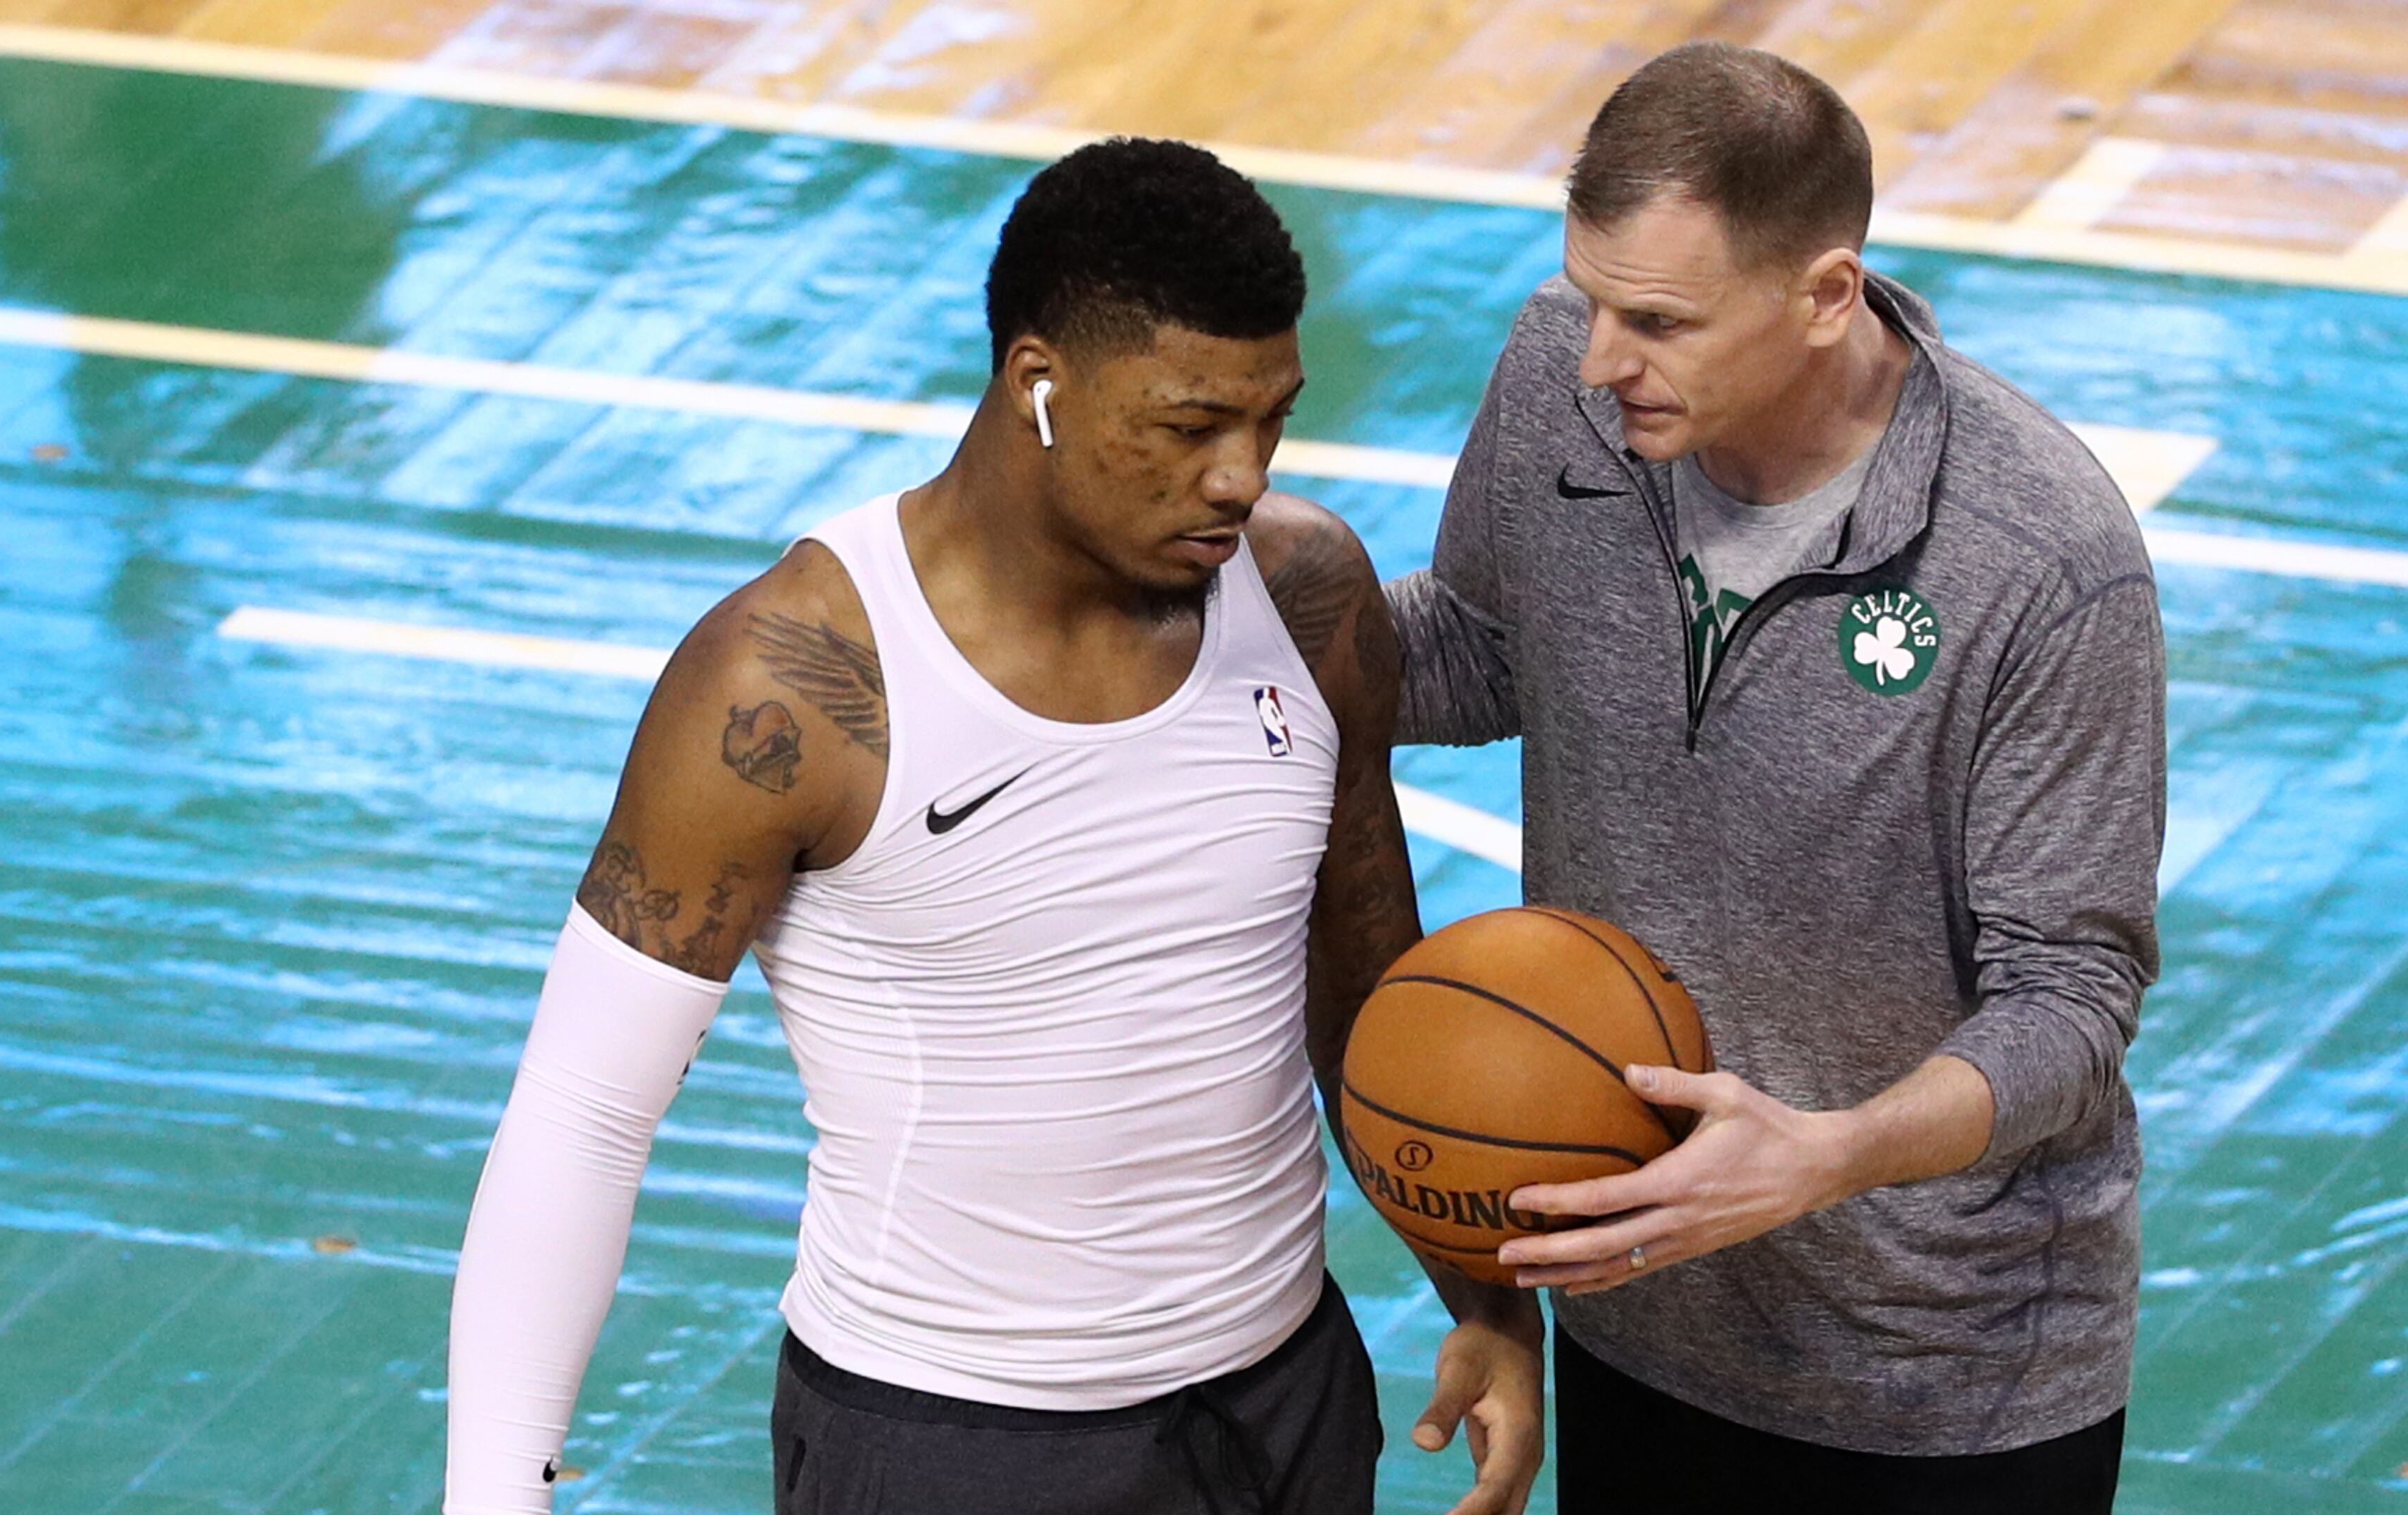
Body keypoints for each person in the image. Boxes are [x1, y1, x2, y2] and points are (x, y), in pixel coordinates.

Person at [443, 137, 1540, 1515]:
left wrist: (1490, 1307)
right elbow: (585, 1113)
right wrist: (494, 1490)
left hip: (1283, 1404)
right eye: (1191, 426)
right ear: (1038, 388)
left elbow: (1371, 980)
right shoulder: (792, 684)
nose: (1242, 475)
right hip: (948, 1444)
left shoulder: (1306, 595)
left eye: (1271, 420)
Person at [1387, 43, 2163, 1514]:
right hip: (1643, 1309)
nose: (1601, 359)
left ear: (1826, 295)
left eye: (1660, 321)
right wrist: (1218, 618)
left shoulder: (2042, 561)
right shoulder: (1573, 392)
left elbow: (2069, 1003)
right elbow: (1485, 651)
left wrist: (1827, 1156)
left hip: (1944, 1380)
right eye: (1592, 298)